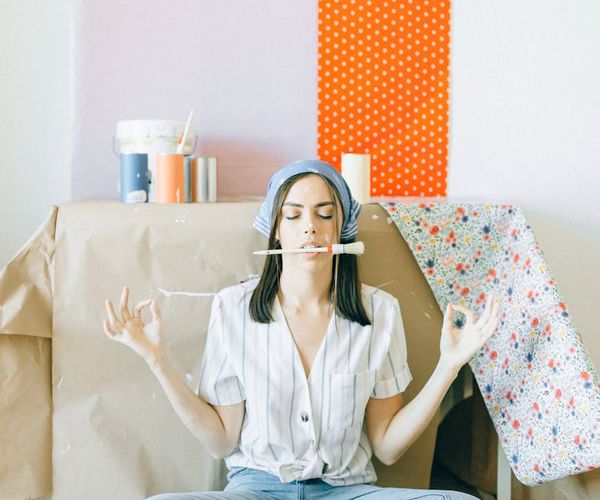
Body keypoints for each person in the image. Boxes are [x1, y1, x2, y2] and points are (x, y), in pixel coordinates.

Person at [104, 160, 499, 499]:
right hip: (257, 490)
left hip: (348, 489)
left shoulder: (380, 312)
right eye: (293, 216)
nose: (309, 227)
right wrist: (157, 359)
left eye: (324, 214)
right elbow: (221, 439)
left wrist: (449, 365)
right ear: (276, 230)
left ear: (340, 229)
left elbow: (388, 448)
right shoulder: (232, 308)